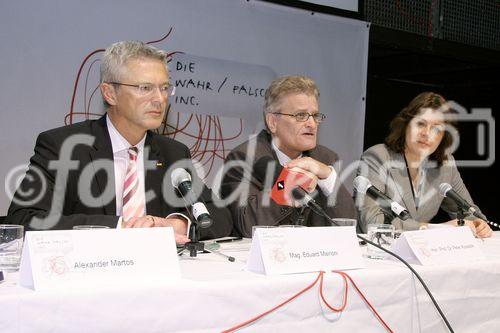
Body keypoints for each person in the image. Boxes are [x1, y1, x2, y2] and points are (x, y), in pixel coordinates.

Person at [6, 41, 232, 243]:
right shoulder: (63, 146)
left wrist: (180, 224)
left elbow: (221, 216)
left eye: (164, 88)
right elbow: (24, 219)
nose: (159, 99)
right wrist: (119, 227)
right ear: (109, 93)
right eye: (145, 88)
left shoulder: (172, 153)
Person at [220, 75, 357, 237]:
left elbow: (348, 226)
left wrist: (328, 177)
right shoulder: (245, 158)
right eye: (300, 115)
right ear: (273, 122)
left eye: (315, 115)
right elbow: (247, 224)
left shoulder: (325, 158)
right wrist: (290, 185)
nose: (312, 124)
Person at [356, 92, 492, 237]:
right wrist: (436, 229)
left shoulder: (446, 164)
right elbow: (373, 223)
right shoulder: (377, 157)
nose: (427, 133)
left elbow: (468, 212)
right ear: (406, 124)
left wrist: (478, 224)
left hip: (421, 252)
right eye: (420, 124)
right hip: (376, 251)